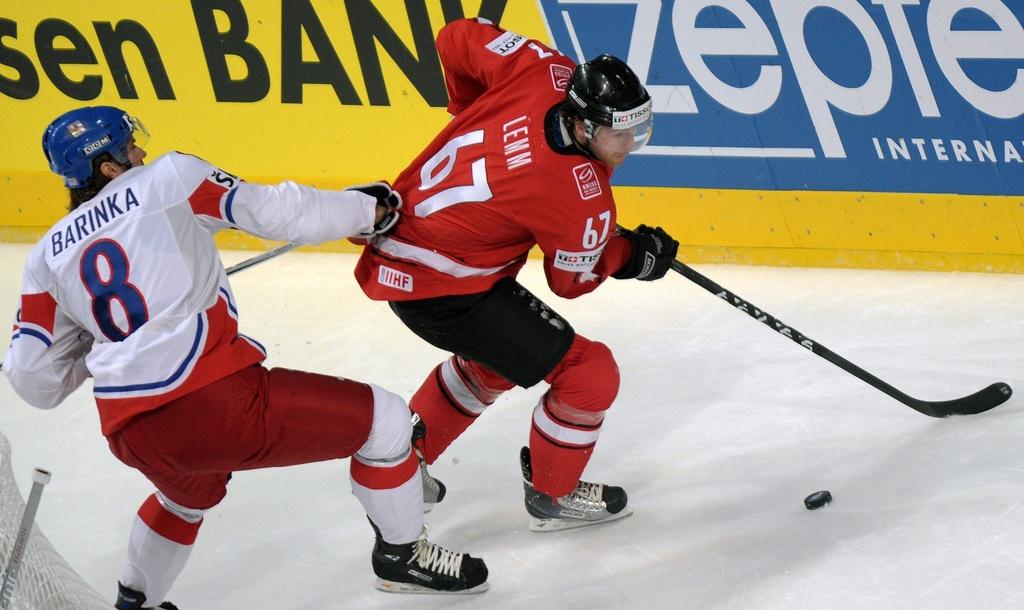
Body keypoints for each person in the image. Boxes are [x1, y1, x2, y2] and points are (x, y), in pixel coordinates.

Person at [2, 106, 489, 609]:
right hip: (212, 402)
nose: (141, 152)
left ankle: (136, 604)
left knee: (184, 497)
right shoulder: (167, 177)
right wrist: (366, 210)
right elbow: (280, 211)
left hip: (132, 433)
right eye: (129, 148)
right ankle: (402, 557)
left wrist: (94, 339)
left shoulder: (45, 257)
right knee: (386, 422)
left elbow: (35, 382)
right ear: (108, 167)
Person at [353, 17, 680, 532]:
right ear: (584, 126)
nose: (631, 145)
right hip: (444, 285)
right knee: (589, 373)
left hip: (411, 245)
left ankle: (404, 460)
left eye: (639, 129)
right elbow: (571, 282)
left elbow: (455, 36)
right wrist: (631, 256)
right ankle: (553, 495)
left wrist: (468, 109)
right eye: (621, 135)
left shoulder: (545, 70)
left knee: (498, 360)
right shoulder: (578, 193)